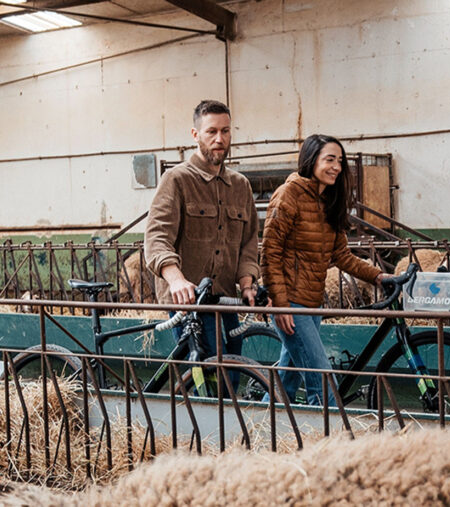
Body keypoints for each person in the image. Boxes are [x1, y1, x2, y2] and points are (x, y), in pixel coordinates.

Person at [261, 134, 390, 406]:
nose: (336, 167)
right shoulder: (288, 195)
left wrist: (378, 276)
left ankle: (258, 424)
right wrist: (280, 305)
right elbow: (270, 252)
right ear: (311, 160)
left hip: (312, 304)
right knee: (321, 380)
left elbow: (341, 255)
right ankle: (331, 440)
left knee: (289, 377)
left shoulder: (328, 200)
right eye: (329, 159)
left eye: (340, 161)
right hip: (292, 305)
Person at [144, 99, 260, 358]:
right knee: (209, 381)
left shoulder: (241, 186)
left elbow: (249, 244)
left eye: (225, 131)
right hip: (189, 301)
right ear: (196, 135)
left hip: (226, 300)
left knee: (231, 373)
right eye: (212, 131)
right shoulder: (176, 180)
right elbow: (157, 237)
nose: (220, 138)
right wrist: (176, 280)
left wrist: (247, 283)